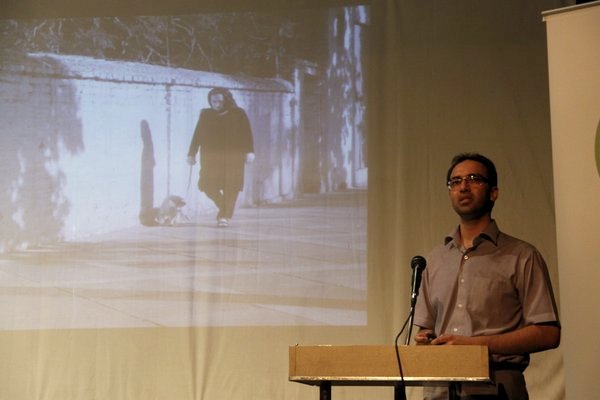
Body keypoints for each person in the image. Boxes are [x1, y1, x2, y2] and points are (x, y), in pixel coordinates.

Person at [413, 153, 560, 400]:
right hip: (440, 389)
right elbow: (426, 327)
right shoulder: (435, 259)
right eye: (455, 181)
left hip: (495, 387)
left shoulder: (522, 256)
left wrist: (476, 347)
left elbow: (548, 333)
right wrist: (425, 339)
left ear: (494, 193)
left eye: (474, 179)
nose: (463, 187)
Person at [187, 88, 255, 227]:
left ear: (226, 100)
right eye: (214, 101)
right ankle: (225, 207)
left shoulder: (238, 113)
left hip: (233, 156)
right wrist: (191, 153)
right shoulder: (206, 114)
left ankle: (224, 216)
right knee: (206, 184)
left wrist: (249, 151)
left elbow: (246, 133)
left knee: (231, 186)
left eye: (220, 101)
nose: (217, 104)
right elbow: (197, 134)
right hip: (211, 157)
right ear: (210, 101)